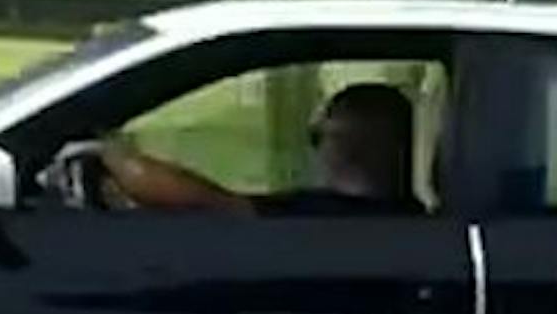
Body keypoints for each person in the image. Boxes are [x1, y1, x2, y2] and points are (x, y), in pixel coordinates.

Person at [95, 80, 422, 216]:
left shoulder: (329, 217)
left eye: (321, 132)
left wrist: (109, 156)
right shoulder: (406, 217)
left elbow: (214, 206)